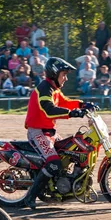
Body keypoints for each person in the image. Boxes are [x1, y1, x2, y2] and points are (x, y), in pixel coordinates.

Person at [23, 57, 93, 209]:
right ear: (54, 74)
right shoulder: (44, 89)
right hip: (38, 132)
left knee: (68, 152)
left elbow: (65, 102)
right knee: (54, 162)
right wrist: (72, 113)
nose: (66, 79)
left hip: (49, 131)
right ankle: (30, 197)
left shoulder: (54, 89)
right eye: (64, 75)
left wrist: (82, 104)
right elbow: (49, 110)